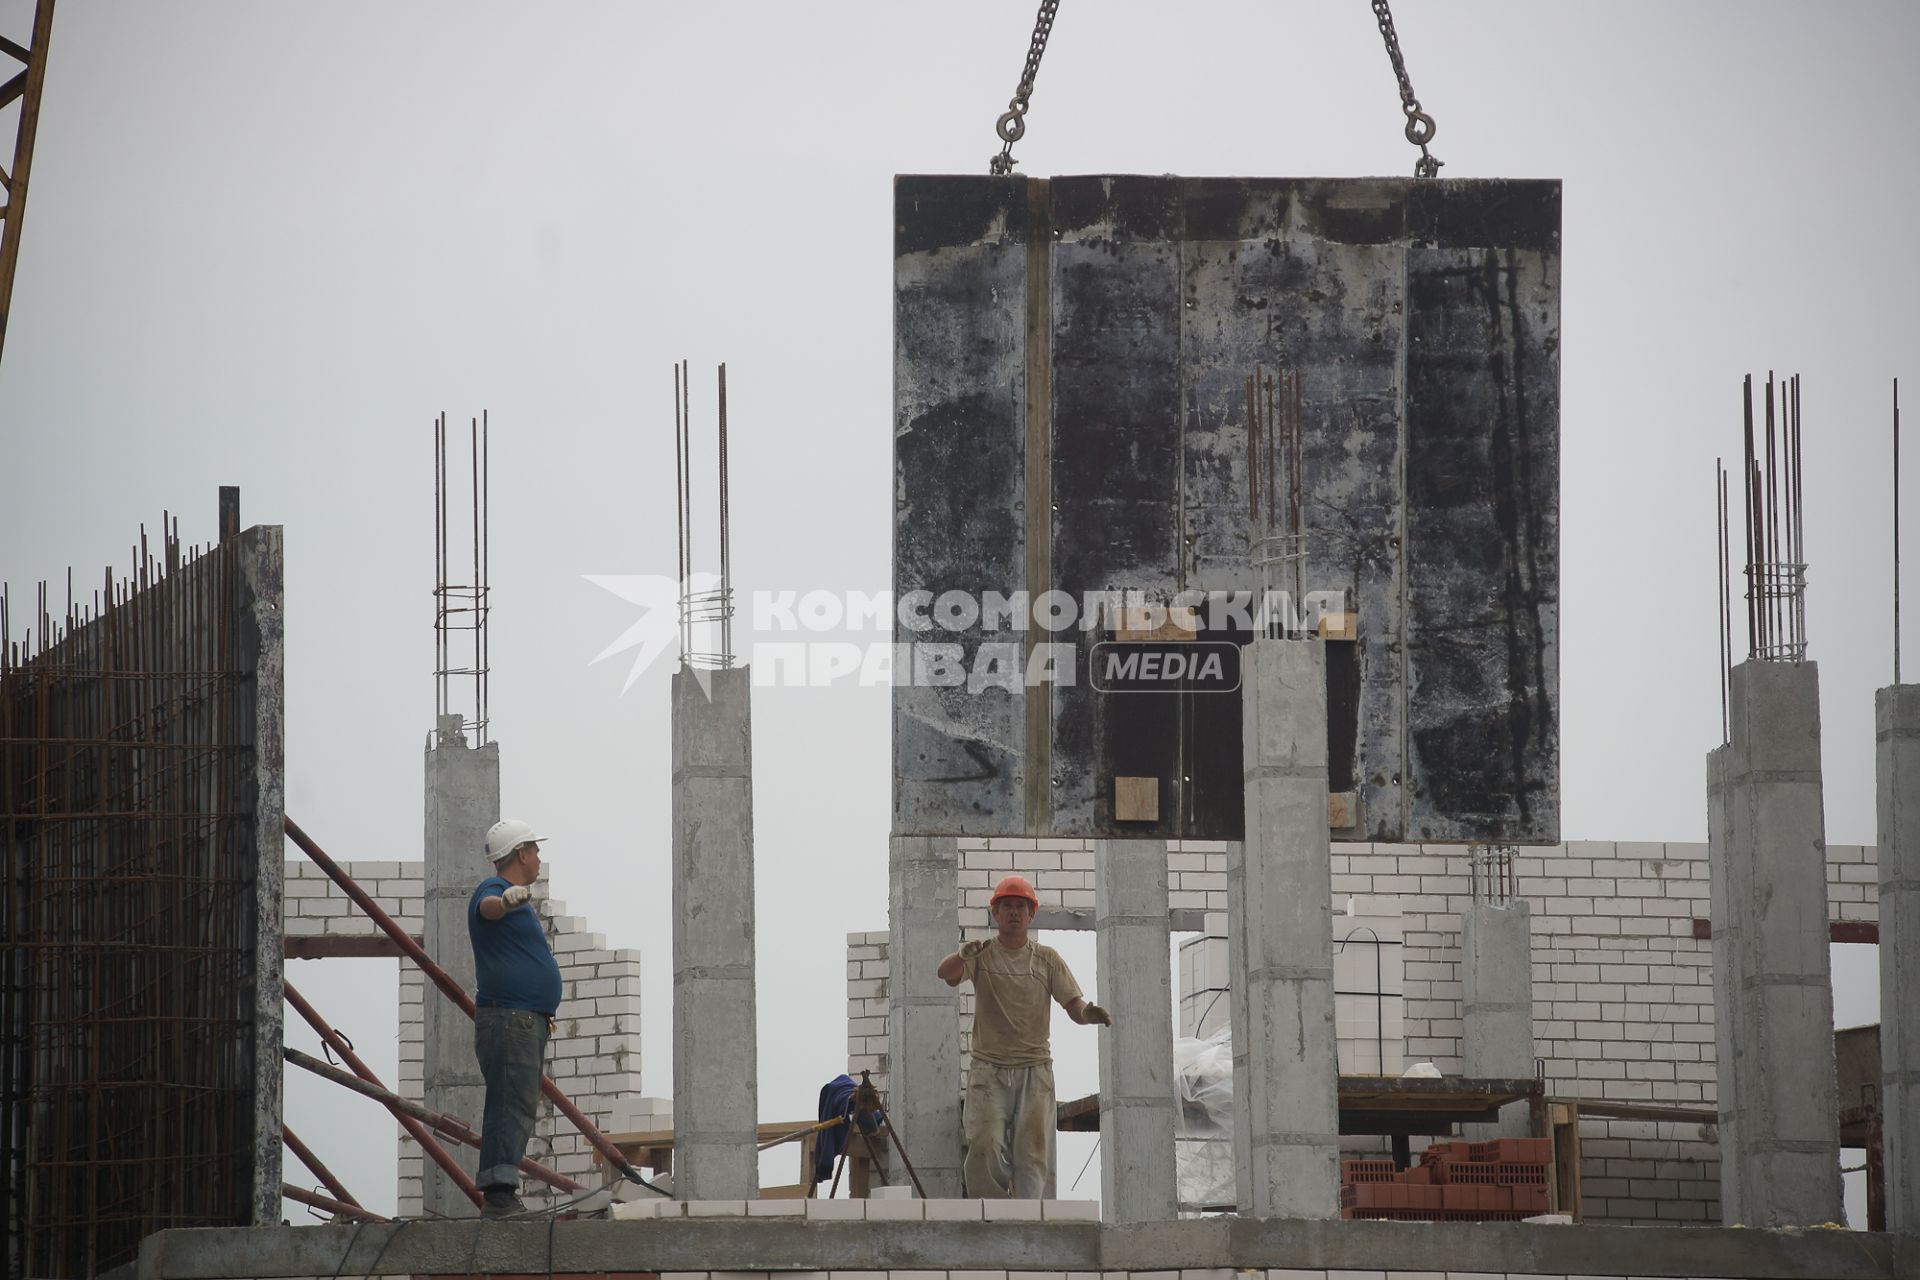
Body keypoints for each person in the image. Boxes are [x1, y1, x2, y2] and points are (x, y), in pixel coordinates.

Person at [936, 873, 1110, 1198]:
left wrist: (1089, 1015)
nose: (1014, 912)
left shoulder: (1046, 960)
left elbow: (1074, 1006)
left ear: (1031, 914)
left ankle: (1031, 1219)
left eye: (1020, 906)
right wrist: (963, 954)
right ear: (995, 913)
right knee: (983, 1143)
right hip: (989, 1070)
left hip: (1034, 1071)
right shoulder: (983, 954)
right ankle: (991, 1216)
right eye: (1007, 906)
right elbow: (944, 974)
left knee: (1033, 1152)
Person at [468, 818, 563, 1219]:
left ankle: (502, 1191)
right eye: (535, 849)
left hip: (522, 1021)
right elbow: (486, 909)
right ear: (521, 853)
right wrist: (507, 902)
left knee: (516, 1104)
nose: (540, 857)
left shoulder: (514, 897)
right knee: (510, 1104)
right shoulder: (495, 890)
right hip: (510, 1020)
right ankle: (499, 1195)